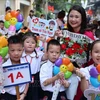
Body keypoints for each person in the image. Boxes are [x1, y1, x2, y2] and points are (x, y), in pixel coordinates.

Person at [0, 35, 29, 100]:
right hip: (7, 96)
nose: (16, 53)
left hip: (22, 95)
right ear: (8, 51)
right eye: (12, 50)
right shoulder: (4, 67)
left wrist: (24, 94)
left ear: (23, 50)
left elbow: (27, 81)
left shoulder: (25, 65)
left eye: (19, 50)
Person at [21, 32, 47, 100]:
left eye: (33, 42)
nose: (30, 44)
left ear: (36, 44)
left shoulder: (38, 54)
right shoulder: (20, 54)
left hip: (35, 79)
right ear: (22, 43)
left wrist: (44, 42)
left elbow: (47, 56)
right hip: (22, 78)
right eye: (27, 42)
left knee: (34, 96)